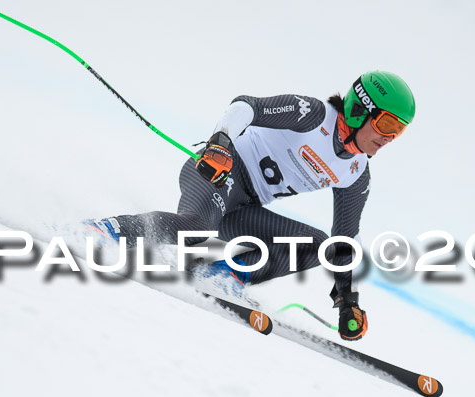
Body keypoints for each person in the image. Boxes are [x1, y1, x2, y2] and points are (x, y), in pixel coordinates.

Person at [85, 70, 415, 341]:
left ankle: (218, 277)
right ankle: (101, 231)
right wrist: (221, 141)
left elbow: (344, 241)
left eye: (398, 131)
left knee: (317, 245)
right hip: (219, 172)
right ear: (360, 109)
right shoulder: (313, 115)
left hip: (246, 207)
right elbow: (246, 105)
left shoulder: (355, 173)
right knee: (197, 229)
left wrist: (346, 301)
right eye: (387, 124)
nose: (389, 137)